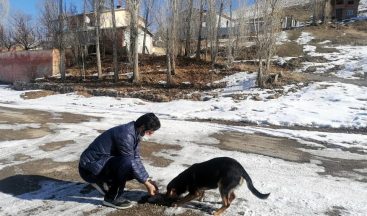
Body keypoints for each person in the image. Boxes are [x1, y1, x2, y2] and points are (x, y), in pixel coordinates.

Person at [78, 113, 161, 209]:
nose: (151, 135)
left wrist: (148, 180)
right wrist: (147, 185)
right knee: (126, 164)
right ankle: (112, 198)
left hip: (98, 165)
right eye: (150, 132)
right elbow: (130, 162)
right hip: (89, 170)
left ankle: (105, 183)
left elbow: (136, 158)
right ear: (142, 127)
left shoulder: (134, 132)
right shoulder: (126, 134)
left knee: (131, 166)